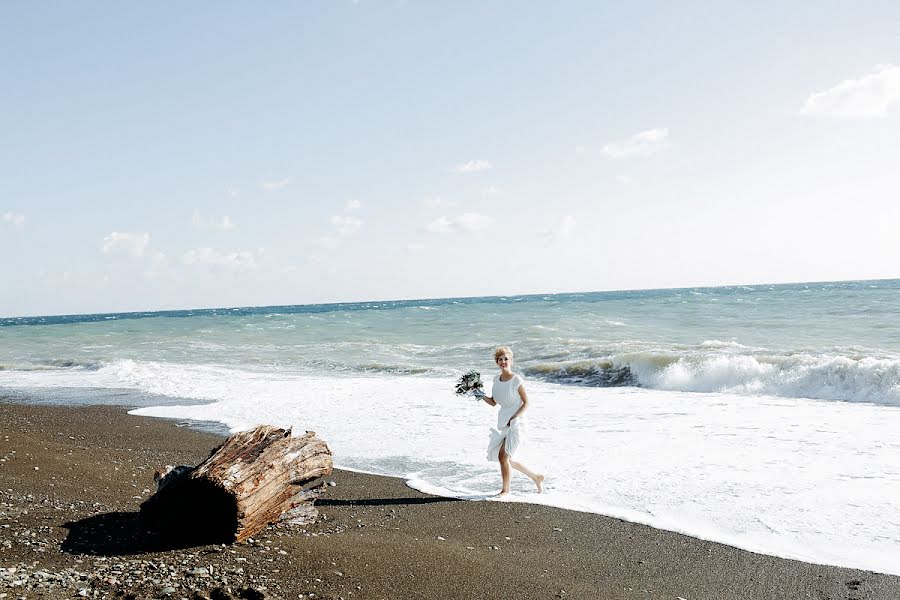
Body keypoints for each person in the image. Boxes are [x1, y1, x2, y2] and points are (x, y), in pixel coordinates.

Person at [481, 346, 544, 496]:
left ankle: (505, 490)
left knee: (503, 457)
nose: (503, 361)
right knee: (507, 458)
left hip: (517, 424)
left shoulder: (516, 380)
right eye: (500, 359)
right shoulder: (496, 379)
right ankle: (536, 477)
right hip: (504, 423)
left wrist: (515, 418)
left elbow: (526, 402)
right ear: (497, 362)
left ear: (511, 361)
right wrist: (477, 392)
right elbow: (493, 402)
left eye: (506, 358)